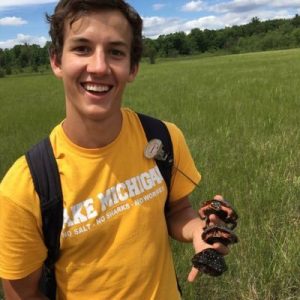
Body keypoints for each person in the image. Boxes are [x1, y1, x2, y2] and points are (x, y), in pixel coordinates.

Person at [0, 0, 229, 299]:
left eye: (116, 52)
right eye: (82, 48)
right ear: (56, 61)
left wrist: (199, 231)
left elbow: (178, 211)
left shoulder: (163, 138)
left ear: (132, 68)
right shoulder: (24, 188)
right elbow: (23, 293)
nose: (98, 66)